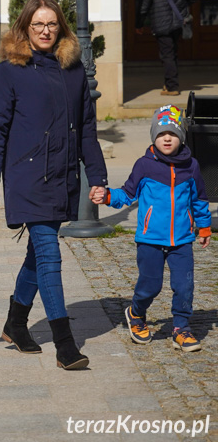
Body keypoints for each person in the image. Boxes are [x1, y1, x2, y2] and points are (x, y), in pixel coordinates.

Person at [0, 0, 108, 371]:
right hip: (26, 176)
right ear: (25, 28)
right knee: (50, 255)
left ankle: (16, 324)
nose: (45, 31)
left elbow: (86, 129)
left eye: (51, 24)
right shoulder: (9, 71)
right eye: (38, 24)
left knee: (39, 253)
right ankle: (65, 343)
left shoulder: (74, 71)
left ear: (61, 28)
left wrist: (97, 177)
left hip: (63, 174)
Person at [96, 105, 210, 353]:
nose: (166, 138)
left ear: (181, 136)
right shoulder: (144, 166)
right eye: (160, 134)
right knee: (151, 285)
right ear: (153, 137)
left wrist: (204, 227)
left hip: (181, 239)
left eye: (172, 133)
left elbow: (199, 199)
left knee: (185, 285)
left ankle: (181, 327)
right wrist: (106, 196)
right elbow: (126, 194)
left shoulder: (190, 166)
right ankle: (136, 313)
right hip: (150, 239)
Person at [137, 0, 197, 97]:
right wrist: (182, 5)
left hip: (160, 25)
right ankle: (169, 83)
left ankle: (172, 87)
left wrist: (139, 24)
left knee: (167, 55)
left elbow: (144, 7)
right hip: (178, 23)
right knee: (172, 53)